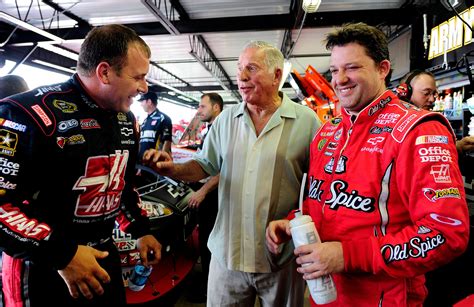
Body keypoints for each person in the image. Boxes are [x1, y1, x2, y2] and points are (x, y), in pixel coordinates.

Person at [266, 22, 470, 306]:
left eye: (352, 68)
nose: (340, 79)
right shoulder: (329, 131)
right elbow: (324, 203)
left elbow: (447, 232)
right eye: (335, 70)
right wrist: (292, 222)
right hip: (325, 294)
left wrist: (348, 255)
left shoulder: (418, 130)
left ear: (382, 68)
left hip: (385, 298)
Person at [143, 41, 320, 306]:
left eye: (251, 68)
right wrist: (173, 169)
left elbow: (320, 186)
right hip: (228, 257)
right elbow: (204, 165)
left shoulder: (307, 122)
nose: (242, 76)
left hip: (281, 257)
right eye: (239, 69)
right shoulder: (227, 121)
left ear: (276, 76)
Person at [0, 24, 162, 306]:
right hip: (44, 267)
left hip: (102, 258)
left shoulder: (127, 120)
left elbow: (120, 187)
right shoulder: (25, 114)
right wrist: (62, 255)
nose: (144, 87)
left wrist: (140, 230)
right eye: (139, 77)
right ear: (105, 72)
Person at [187, 92, 223, 303]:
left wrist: (202, 191)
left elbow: (225, 168)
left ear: (216, 107)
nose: (198, 110)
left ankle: (211, 289)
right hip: (206, 193)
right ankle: (207, 283)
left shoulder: (222, 130)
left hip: (212, 196)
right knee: (205, 242)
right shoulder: (210, 129)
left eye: (202, 106)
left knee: (210, 243)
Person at [398, 70, 474, 156]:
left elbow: (426, 151)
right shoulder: (411, 124)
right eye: (426, 93)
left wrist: (458, 147)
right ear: (405, 92)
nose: (432, 99)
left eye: (434, 94)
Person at [138, 91, 172, 157]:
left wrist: (162, 158)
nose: (141, 104)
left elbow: (167, 140)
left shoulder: (163, 118)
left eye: (142, 101)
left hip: (154, 162)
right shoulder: (145, 121)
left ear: (149, 102)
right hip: (142, 161)